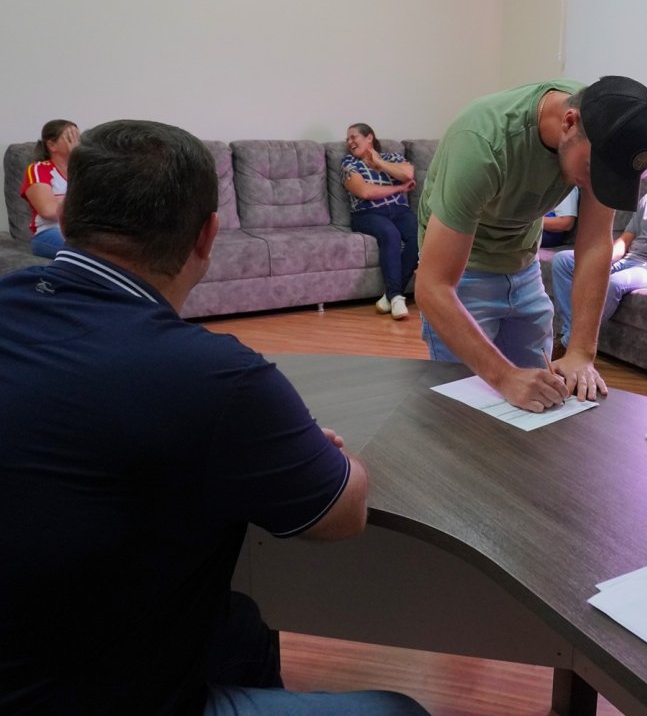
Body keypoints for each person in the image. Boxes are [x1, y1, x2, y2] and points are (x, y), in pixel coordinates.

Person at [0, 120, 427, 716]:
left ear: (67, 222)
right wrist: (319, 452)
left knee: (240, 626)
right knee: (399, 712)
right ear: (208, 236)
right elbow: (344, 511)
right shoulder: (217, 378)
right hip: (92, 694)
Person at [415, 76, 647, 412]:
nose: (596, 184)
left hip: (523, 264)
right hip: (464, 271)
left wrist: (581, 352)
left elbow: (595, 243)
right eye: (593, 169)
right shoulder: (482, 143)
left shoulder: (603, 132)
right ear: (569, 123)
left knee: (540, 400)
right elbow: (432, 287)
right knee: (463, 411)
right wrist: (504, 376)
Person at [550, 148, 647, 352]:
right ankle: (571, 333)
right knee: (563, 261)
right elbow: (627, 236)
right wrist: (606, 258)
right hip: (630, 258)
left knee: (613, 283)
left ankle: (569, 344)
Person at [342, 122, 418, 320]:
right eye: (347, 139)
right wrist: (399, 188)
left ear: (369, 137)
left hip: (400, 211)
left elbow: (408, 174)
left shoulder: (393, 158)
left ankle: (390, 296)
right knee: (390, 234)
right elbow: (365, 192)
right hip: (367, 213)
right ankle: (396, 297)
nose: (349, 142)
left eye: (353, 137)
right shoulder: (349, 163)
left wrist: (379, 162)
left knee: (419, 237)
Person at [21, 118, 79, 258]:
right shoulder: (38, 169)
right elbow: (49, 211)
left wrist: (59, 199)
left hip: (81, 230)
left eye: (78, 137)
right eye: (70, 138)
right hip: (48, 232)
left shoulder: (84, 169)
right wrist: (81, 199)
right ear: (52, 145)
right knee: (89, 251)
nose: (77, 144)